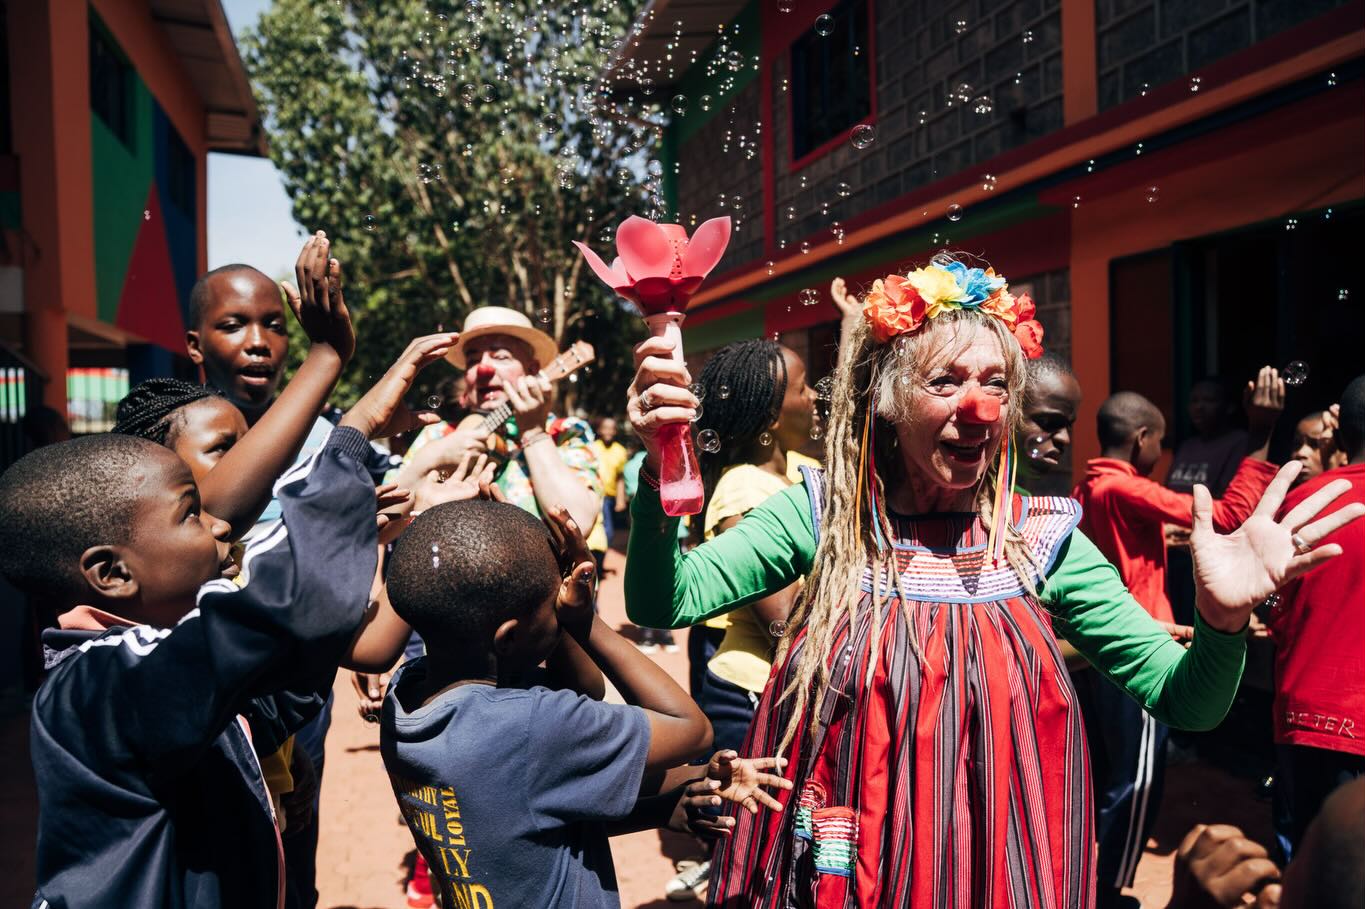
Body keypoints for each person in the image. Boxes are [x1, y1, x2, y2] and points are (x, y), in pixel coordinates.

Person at [621, 254, 1362, 907]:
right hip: (850, 863)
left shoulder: (1044, 540)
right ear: (886, 398)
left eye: (996, 384)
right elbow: (664, 598)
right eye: (944, 381)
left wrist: (1220, 621)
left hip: (998, 870)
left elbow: (1185, 701)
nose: (977, 408)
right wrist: (661, 470)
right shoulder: (821, 517)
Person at [0, 331, 457, 909]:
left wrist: (382, 534)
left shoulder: (154, 654)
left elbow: (277, 685)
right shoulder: (99, 686)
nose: (219, 525)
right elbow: (281, 613)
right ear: (112, 574)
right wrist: (350, 438)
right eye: (191, 514)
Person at [378, 497, 718, 907]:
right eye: (552, 609)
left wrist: (659, 810)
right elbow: (691, 730)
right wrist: (585, 620)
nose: (560, 614)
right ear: (508, 639)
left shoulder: (408, 692)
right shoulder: (529, 726)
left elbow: (528, 815)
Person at [1071, 380, 1282, 908]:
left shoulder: (1087, 488)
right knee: (1139, 783)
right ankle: (1109, 890)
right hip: (1142, 650)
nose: (1161, 452)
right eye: (1159, 443)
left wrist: (1163, 540)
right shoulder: (1126, 488)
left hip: (1106, 650)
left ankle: (1097, 881)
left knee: (1116, 773)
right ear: (1141, 438)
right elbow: (1227, 515)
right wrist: (1260, 434)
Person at [391, 305, 601, 532]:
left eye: (501, 356)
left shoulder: (566, 432)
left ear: (532, 370)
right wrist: (431, 458)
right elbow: (380, 527)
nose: (483, 369)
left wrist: (534, 433)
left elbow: (578, 524)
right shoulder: (438, 434)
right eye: (473, 361)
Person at [1268, 375, 1365, 858]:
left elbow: (1276, 608)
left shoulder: (1303, 500)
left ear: (1339, 429)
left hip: (1308, 713)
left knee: (1314, 866)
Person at [1016, 352, 1082, 495]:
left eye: (1068, 427)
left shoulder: (1019, 499)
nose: (1065, 439)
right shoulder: (967, 496)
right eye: (1049, 422)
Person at [590, 416, 630, 572]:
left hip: (609, 498)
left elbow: (620, 477)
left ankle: (598, 564)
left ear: (615, 431)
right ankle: (595, 565)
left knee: (609, 532)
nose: (608, 431)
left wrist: (620, 500)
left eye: (611, 429)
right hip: (595, 495)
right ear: (600, 430)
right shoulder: (593, 448)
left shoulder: (620, 451)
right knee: (600, 530)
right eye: (605, 428)